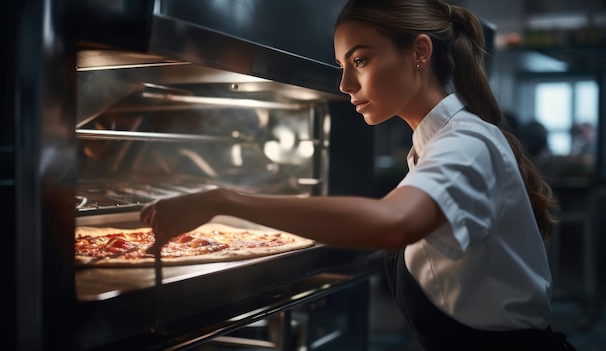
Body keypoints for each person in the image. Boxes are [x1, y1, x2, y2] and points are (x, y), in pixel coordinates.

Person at [141, 0, 574, 349]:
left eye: (360, 60)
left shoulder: (466, 143)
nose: (345, 83)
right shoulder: (432, 147)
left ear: (420, 52)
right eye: (343, 65)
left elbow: (393, 223)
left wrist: (223, 201)